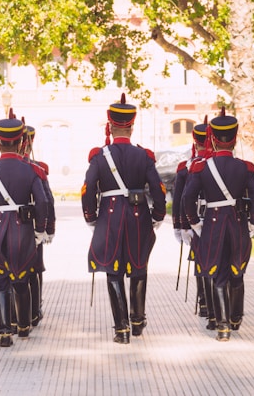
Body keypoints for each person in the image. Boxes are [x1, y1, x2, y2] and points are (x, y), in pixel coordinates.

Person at [81, 93, 166, 344]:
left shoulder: (99, 155)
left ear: (110, 125)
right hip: (138, 216)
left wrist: (91, 217)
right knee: (139, 267)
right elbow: (157, 188)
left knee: (113, 270)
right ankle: (138, 321)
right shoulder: (144, 156)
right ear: (131, 125)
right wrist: (158, 216)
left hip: (110, 217)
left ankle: (121, 330)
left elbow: (88, 188)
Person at [183, 108, 254, 341]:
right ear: (234, 139)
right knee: (237, 272)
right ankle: (236, 318)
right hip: (237, 224)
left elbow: (188, 197)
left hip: (213, 224)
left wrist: (195, 224)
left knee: (217, 274)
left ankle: (223, 326)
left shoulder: (201, 167)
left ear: (213, 139)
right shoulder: (245, 167)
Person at [0, 118, 48, 347]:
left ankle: (4, 332)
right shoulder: (32, 170)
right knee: (22, 277)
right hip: (22, 230)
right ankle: (23, 327)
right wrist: (40, 230)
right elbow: (42, 201)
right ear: (21, 141)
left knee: (0, 281)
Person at [172, 117, 213, 323]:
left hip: (194, 219)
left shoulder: (186, 166)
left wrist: (181, 226)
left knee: (199, 259)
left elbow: (180, 199)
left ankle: (204, 303)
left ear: (195, 141)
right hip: (216, 217)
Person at [22, 124, 56, 327]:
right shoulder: (37, 169)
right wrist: (48, 228)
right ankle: (34, 311)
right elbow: (47, 201)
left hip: (9, 227)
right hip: (33, 226)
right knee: (34, 268)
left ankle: (19, 314)